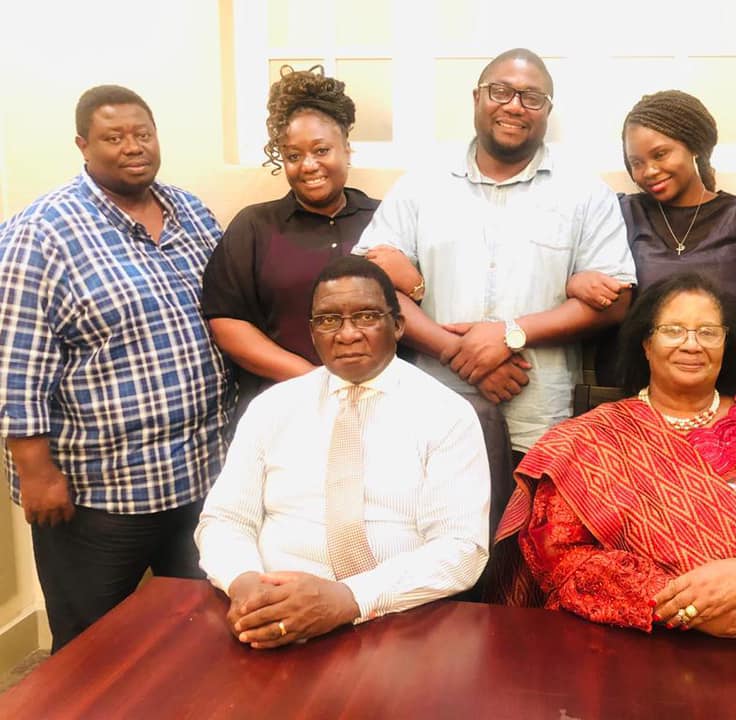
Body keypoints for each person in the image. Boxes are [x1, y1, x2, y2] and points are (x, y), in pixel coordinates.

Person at [494, 274, 736, 720]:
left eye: (708, 332)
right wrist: (685, 607)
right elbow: (561, 559)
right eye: (673, 330)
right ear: (646, 343)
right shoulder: (587, 440)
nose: (691, 344)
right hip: (631, 656)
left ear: (726, 344)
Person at [0, 85, 233, 652]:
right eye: (113, 137)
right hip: (99, 493)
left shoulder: (191, 212)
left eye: (142, 134)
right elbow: (14, 362)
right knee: (92, 649)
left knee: (201, 637)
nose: (133, 147)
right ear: (83, 145)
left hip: (202, 475)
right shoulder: (41, 233)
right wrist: (36, 473)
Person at [354, 47, 636, 471]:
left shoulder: (585, 193)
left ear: (548, 110)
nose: (514, 106)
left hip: (539, 421)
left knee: (529, 516)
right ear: (477, 97)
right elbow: (369, 290)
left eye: (531, 97)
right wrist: (457, 352)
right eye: (500, 91)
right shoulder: (420, 185)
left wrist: (510, 334)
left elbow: (616, 302)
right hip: (431, 410)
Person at [195, 256, 490, 647]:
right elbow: (224, 519)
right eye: (329, 320)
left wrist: (350, 598)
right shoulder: (273, 407)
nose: (347, 334)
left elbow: (461, 550)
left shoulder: (445, 413)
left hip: (399, 622)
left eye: (366, 316)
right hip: (273, 616)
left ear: (398, 325)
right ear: (313, 332)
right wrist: (245, 583)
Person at [202, 65, 415, 415]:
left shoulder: (385, 218)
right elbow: (228, 323)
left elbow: (416, 307)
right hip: (286, 406)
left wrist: (416, 284)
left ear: (347, 150)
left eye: (321, 150)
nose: (308, 165)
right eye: (293, 156)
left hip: (383, 407)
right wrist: (313, 381)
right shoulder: (254, 227)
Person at [567, 90, 736, 384]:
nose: (649, 171)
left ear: (694, 146)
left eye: (660, 154)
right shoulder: (620, 215)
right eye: (637, 162)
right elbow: (559, 271)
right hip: (630, 397)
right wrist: (574, 281)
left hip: (726, 396)